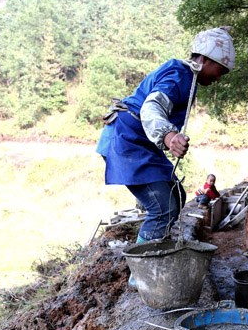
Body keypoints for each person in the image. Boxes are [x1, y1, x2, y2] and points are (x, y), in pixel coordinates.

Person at [96, 28, 235, 246]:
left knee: (176, 194)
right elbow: (151, 108)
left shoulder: (186, 77)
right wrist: (169, 137)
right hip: (128, 141)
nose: (219, 77)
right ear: (206, 60)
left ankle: (157, 242)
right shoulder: (180, 77)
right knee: (163, 208)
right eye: (220, 70)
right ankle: (141, 273)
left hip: (141, 143)